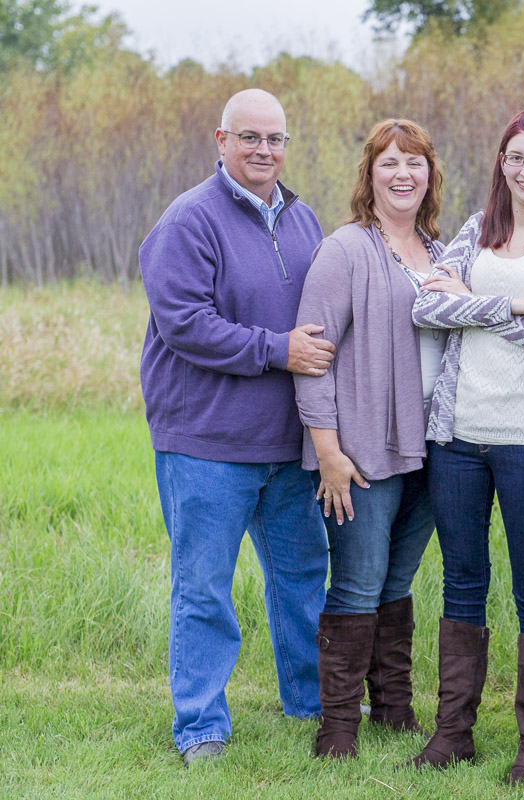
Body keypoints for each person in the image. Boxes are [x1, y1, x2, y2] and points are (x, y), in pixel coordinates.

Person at [139, 88, 331, 766]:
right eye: (249, 138)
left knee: (305, 579)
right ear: (220, 140)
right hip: (207, 444)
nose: (264, 150)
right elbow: (184, 324)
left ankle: (312, 703)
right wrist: (277, 349)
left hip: (287, 443)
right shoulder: (188, 221)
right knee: (203, 590)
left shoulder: (304, 219)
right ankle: (200, 728)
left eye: (274, 139)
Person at [406, 109, 524, 787]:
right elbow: (426, 307)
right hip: (457, 437)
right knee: (462, 579)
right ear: (501, 161)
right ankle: (452, 733)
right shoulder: (472, 230)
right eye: (518, 156)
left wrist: (473, 299)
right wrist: (512, 305)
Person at [293, 119, 447, 759]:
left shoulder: (441, 253)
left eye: (414, 163)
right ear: (370, 175)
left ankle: (393, 709)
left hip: (431, 446)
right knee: (357, 582)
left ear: (430, 176)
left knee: (397, 581)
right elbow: (313, 355)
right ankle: (337, 730)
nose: (402, 174)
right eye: (389, 163)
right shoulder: (347, 249)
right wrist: (327, 452)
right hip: (359, 451)